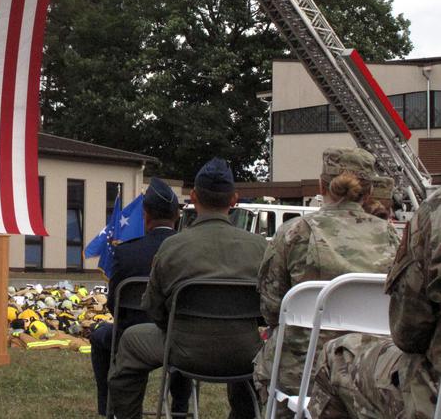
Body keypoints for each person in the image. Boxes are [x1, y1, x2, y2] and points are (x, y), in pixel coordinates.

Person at [107, 158, 267, 419]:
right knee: (247, 355)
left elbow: (154, 307)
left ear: (192, 197)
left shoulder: (172, 247)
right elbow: (268, 310)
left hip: (183, 351)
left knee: (130, 340)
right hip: (245, 352)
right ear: (234, 200)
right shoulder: (260, 247)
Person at [254, 147, 400, 418]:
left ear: (322, 186)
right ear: (368, 193)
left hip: (299, 377)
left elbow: (272, 309)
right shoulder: (392, 238)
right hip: (366, 377)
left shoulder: (294, 233)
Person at [308, 189, 441, 418]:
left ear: (323, 185)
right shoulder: (388, 233)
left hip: (432, 395)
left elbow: (408, 332)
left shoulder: (435, 211)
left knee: (338, 354)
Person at [90, 177, 190, 416]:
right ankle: (180, 409)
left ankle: (109, 408)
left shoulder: (126, 252)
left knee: (101, 336)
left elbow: (115, 304)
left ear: (145, 216)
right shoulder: (189, 251)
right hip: (181, 337)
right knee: (182, 339)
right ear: (177, 216)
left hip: (130, 335)